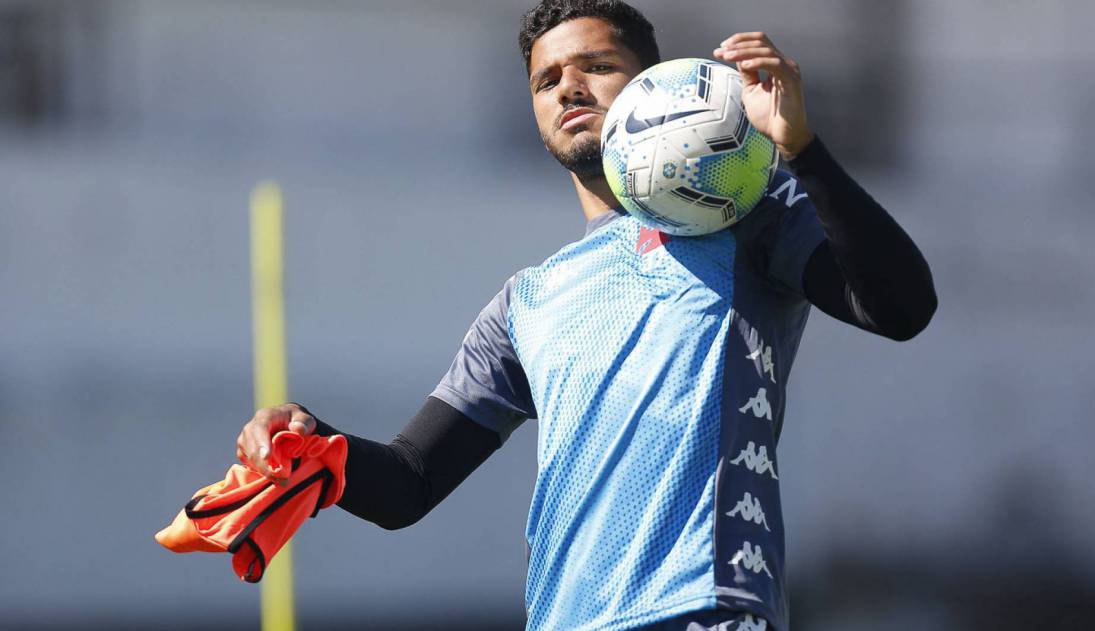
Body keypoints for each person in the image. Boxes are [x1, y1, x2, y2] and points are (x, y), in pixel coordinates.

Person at [235, 1, 937, 629]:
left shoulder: (748, 215)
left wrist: (802, 149)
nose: (568, 87)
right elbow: (408, 482)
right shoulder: (525, 302)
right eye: (546, 81)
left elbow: (901, 307)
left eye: (596, 66)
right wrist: (312, 444)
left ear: (653, 83)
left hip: (704, 610)